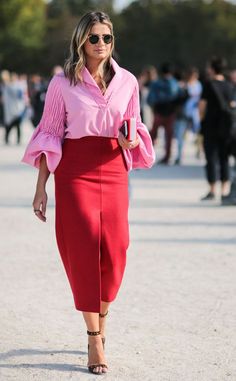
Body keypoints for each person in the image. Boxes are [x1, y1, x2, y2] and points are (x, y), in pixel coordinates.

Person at [22, 11, 155, 375]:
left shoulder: (128, 81)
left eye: (106, 38)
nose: (100, 44)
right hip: (75, 170)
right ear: (81, 40)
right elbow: (49, 134)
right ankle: (94, 336)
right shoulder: (62, 83)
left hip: (113, 167)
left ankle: (103, 321)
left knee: (115, 249)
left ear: (114, 41)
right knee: (84, 246)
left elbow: (134, 125)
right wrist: (41, 188)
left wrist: (130, 140)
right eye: (93, 38)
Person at [199, 57, 233, 201]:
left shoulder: (208, 84)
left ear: (212, 69)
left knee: (211, 158)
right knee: (224, 158)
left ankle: (212, 190)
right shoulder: (229, 85)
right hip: (226, 126)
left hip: (210, 126)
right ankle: (225, 190)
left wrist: (201, 120)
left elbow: (202, 106)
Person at [147, 62, 180, 164]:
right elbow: (180, 97)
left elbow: (150, 99)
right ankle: (167, 157)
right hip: (171, 114)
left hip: (158, 113)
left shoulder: (156, 84)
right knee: (169, 137)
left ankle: (147, 155)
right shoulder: (175, 83)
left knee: (152, 135)